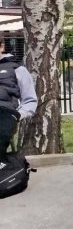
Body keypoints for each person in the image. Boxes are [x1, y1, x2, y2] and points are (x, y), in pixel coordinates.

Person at [0, 33, 38, 161]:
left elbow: (30, 99)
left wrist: (18, 115)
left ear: (1, 46)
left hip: (5, 115)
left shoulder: (17, 69)